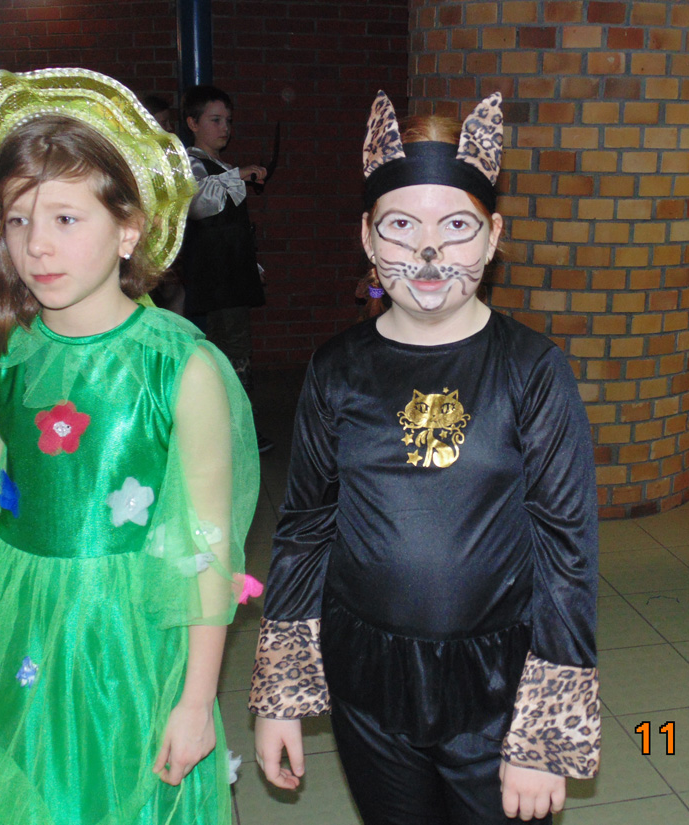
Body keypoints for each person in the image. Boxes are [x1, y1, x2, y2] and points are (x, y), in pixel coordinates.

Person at [249, 92, 600, 824]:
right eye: (402, 225)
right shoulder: (337, 368)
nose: (429, 252)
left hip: (498, 687)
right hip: (368, 680)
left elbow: (566, 553)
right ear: (368, 236)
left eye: (456, 226)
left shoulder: (531, 369)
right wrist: (282, 694)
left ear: (493, 235)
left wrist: (544, 733)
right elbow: (305, 528)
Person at [0, 68, 259, 824]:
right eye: (18, 220)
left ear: (129, 228)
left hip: (131, 636)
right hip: (19, 622)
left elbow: (207, 547)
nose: (37, 246)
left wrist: (196, 700)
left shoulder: (180, 368)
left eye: (65, 219)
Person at [179, 85, 273, 453]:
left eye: (228, 121)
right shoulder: (191, 163)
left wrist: (251, 264)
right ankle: (235, 432)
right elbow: (198, 204)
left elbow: (232, 228)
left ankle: (232, 428)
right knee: (230, 351)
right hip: (216, 278)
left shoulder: (218, 168)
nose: (225, 128)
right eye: (215, 120)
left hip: (231, 275)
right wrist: (239, 174)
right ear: (193, 123)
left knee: (232, 349)